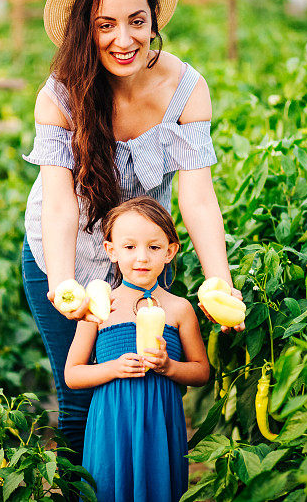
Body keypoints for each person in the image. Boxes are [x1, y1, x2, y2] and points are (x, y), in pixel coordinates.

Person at [21, 0, 244, 468]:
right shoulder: (59, 97)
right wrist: (62, 282)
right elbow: (59, 204)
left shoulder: (185, 89)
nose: (124, 40)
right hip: (61, 258)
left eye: (136, 21)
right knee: (80, 391)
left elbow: (198, 197)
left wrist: (218, 280)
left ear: (154, 22)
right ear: (86, 30)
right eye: (106, 26)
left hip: (140, 256)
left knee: (149, 380)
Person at [65, 196, 210, 501]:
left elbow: (201, 372)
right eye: (129, 247)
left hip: (160, 420)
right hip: (112, 421)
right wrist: (113, 368)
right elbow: (73, 374)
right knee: (108, 485)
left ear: (170, 251)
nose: (141, 258)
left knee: (158, 486)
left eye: (154, 247)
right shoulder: (97, 307)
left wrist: (169, 367)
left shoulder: (180, 309)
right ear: (111, 250)